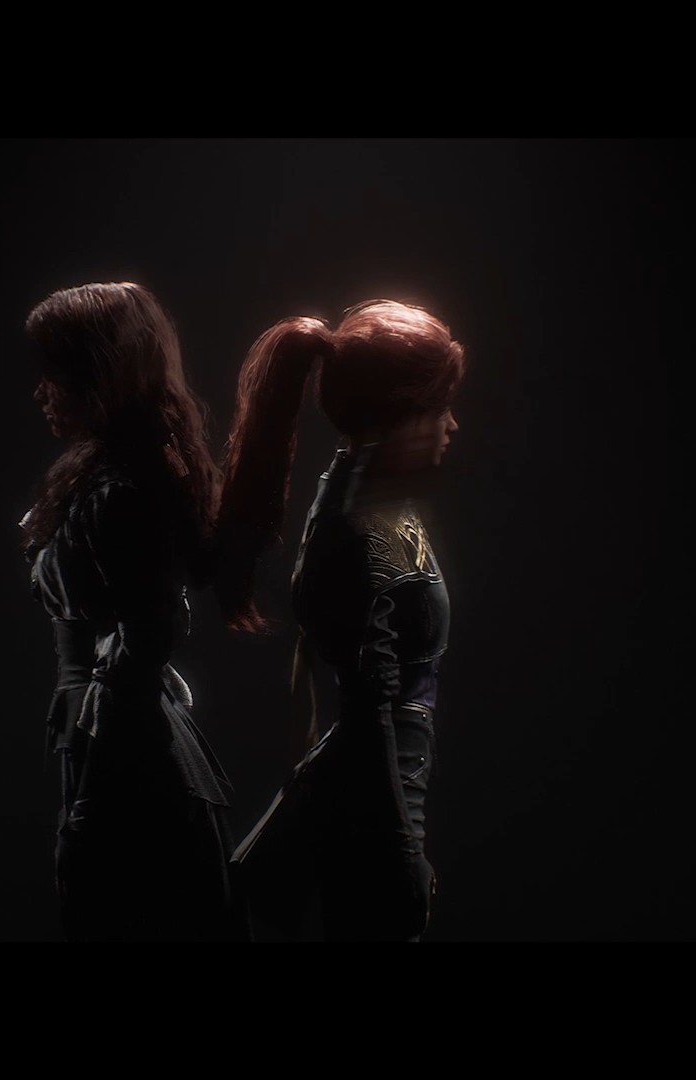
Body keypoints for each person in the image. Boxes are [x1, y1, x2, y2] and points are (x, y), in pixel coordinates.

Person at [215, 299, 466, 941]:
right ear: (400, 416)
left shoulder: (377, 504)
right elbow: (369, 715)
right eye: (440, 407)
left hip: (384, 801)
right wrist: (402, 852)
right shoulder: (355, 527)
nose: (451, 424)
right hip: (371, 819)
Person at [19, 281, 244, 941]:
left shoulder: (118, 492)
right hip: (113, 746)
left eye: (55, 372)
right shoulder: (97, 479)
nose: (41, 391)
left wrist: (91, 791)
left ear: (95, 375)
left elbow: (151, 635)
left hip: (132, 763)